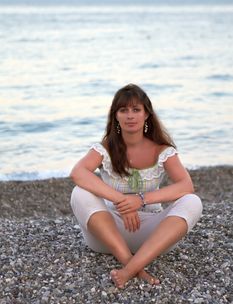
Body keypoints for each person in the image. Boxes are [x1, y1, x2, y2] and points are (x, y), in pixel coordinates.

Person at [70, 83, 203, 289]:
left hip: (153, 236)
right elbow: (78, 173)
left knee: (192, 201)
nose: (130, 116)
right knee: (79, 192)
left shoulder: (163, 150)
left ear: (147, 114)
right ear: (115, 116)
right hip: (107, 234)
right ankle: (133, 266)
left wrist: (140, 200)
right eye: (123, 110)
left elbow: (186, 185)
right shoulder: (105, 148)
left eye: (136, 109)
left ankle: (128, 271)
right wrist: (122, 201)